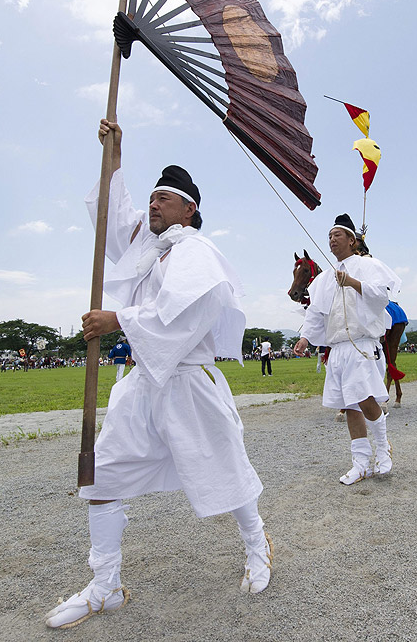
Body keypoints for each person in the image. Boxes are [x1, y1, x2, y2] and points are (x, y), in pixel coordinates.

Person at [46, 119, 270, 631]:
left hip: (190, 383)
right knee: (102, 476)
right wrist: (115, 158)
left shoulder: (197, 253)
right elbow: (112, 217)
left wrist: (119, 319)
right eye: (151, 198)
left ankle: (258, 546)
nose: (153, 206)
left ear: (189, 209)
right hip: (142, 383)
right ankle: (106, 586)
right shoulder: (147, 249)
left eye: (163, 199)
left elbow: (184, 320)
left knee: (227, 472)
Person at [293, 214, 401, 485]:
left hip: (362, 344)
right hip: (338, 348)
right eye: (329, 236)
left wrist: (352, 281)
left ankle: (383, 445)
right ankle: (361, 463)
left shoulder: (368, 266)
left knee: (365, 399)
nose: (331, 240)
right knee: (350, 406)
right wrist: (306, 338)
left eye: (337, 235)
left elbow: (382, 297)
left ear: (352, 240)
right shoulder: (324, 279)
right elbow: (316, 313)